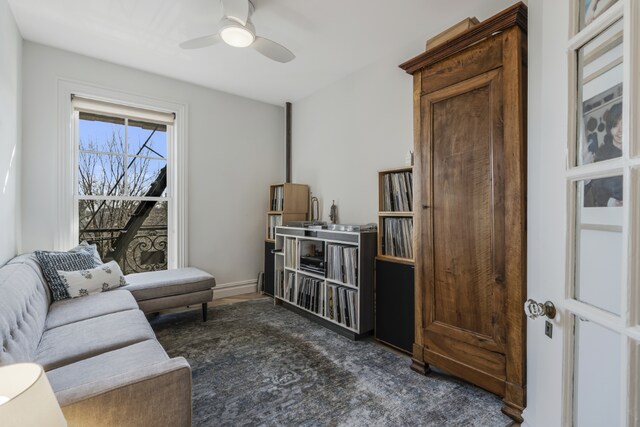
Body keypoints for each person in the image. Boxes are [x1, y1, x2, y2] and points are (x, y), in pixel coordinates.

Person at [585, 102, 623, 207]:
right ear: (610, 128)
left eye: (624, 124)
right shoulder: (602, 153)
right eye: (615, 125)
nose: (620, 131)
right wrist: (612, 202)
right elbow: (597, 186)